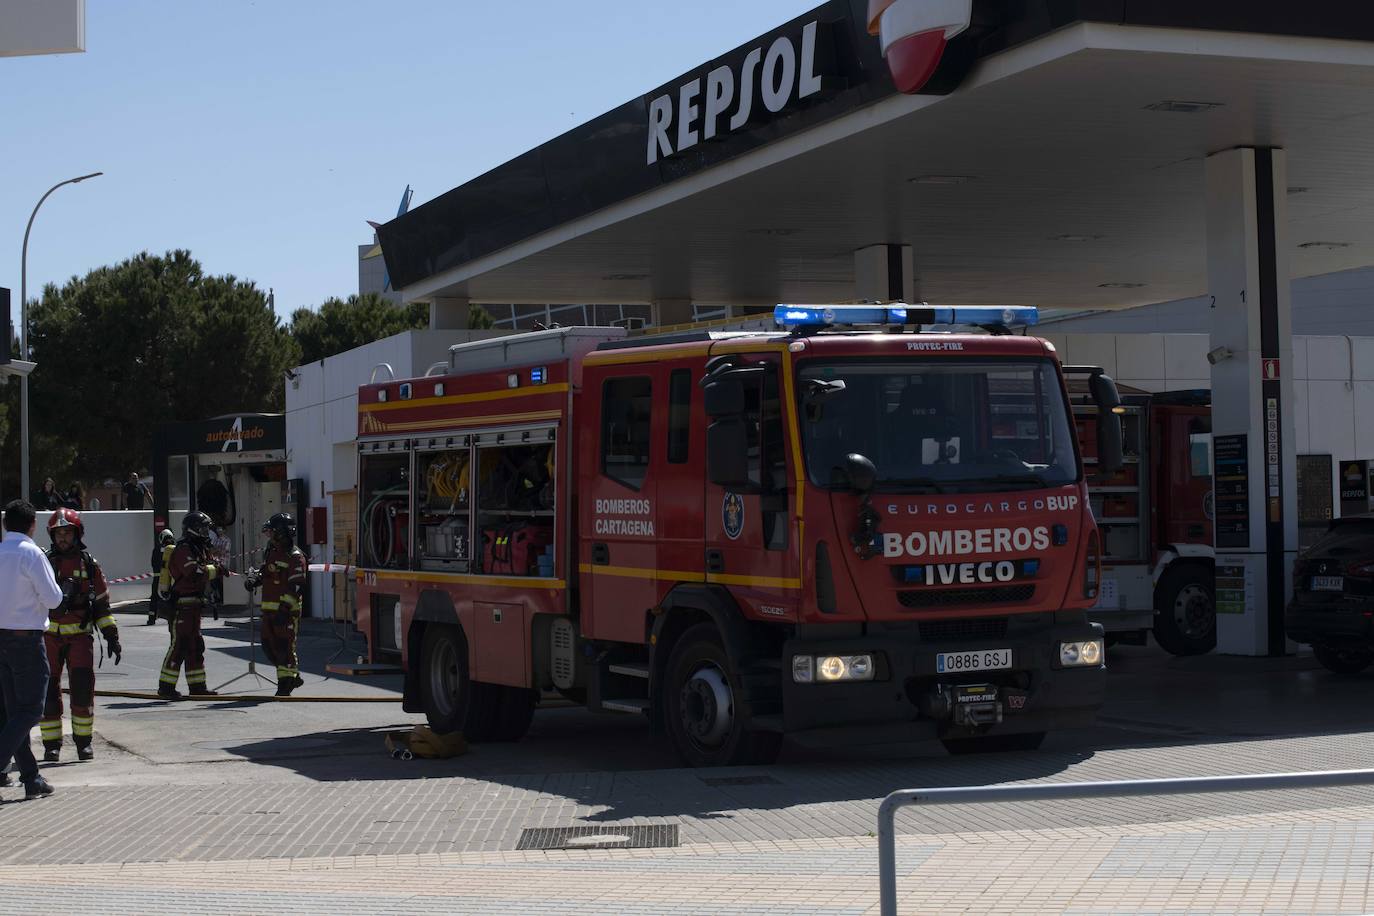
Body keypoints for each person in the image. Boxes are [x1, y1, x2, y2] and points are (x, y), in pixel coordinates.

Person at [39, 509, 120, 762]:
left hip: (81, 640)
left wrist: (111, 635)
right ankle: (51, 746)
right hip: (48, 639)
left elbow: (102, 606)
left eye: (67, 532)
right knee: (49, 695)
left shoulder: (89, 564)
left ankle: (83, 744)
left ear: (77, 534)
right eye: (58, 533)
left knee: (83, 692)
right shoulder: (42, 562)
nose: (62, 537)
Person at [0, 500, 62, 800]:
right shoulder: (31, 554)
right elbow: (53, 599)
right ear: (33, 525)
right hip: (26, 641)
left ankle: (31, 777)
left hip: (1, 641)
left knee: (15, 713)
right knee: (30, 711)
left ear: (4, 525)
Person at [157, 511, 220, 699]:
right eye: (203, 528)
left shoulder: (197, 548)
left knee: (195, 645)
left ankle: (197, 686)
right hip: (182, 606)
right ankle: (166, 687)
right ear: (193, 529)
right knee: (179, 645)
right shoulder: (183, 549)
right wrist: (215, 570)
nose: (206, 532)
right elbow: (194, 573)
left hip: (194, 606)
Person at [246, 513, 307, 697]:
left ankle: (285, 683)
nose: (269, 536)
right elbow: (267, 572)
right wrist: (254, 580)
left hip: (286, 612)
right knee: (268, 646)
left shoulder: (295, 556)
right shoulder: (273, 552)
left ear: (280, 533)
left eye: (271, 532)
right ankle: (293, 676)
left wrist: (284, 609)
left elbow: (297, 585)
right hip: (269, 611)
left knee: (284, 647)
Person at [148, 528, 175, 626]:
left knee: (154, 599)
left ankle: (151, 618)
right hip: (171, 578)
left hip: (158, 578)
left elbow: (153, 563)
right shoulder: (175, 549)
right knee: (173, 597)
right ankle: (172, 618)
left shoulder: (156, 549)